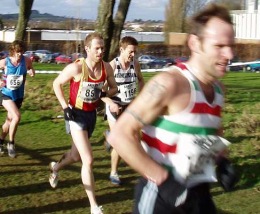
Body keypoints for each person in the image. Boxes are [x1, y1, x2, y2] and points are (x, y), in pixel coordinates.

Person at [107, 4, 235, 214]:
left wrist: (222, 160)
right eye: (219, 46)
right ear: (195, 43)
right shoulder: (169, 83)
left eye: (231, 45)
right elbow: (120, 135)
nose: (229, 53)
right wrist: (163, 180)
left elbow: (213, 129)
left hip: (199, 193)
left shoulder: (218, 89)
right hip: (160, 197)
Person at [50, 32, 117, 214]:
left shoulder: (106, 68)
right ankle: (94, 206)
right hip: (75, 115)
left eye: (102, 47)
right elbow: (56, 84)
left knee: (75, 156)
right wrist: (65, 108)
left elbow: (114, 88)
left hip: (91, 116)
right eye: (97, 48)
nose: (101, 51)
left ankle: (55, 168)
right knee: (88, 159)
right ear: (87, 49)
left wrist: (104, 95)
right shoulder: (76, 68)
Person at [104, 36, 144, 185]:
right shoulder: (112, 66)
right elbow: (101, 92)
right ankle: (114, 172)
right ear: (122, 50)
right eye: (131, 52)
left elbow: (140, 79)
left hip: (129, 107)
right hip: (115, 107)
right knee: (121, 141)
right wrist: (110, 103)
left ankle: (110, 137)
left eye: (135, 52)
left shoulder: (135, 64)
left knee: (135, 140)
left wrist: (142, 97)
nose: (133, 55)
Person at [0, 40, 35, 158]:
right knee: (17, 116)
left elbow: (31, 68)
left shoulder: (26, 60)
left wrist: (31, 72)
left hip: (18, 96)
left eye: (21, 52)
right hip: (5, 94)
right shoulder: (5, 61)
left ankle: (0, 142)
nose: (19, 54)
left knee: (9, 121)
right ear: (13, 51)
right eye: (17, 52)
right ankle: (11, 144)